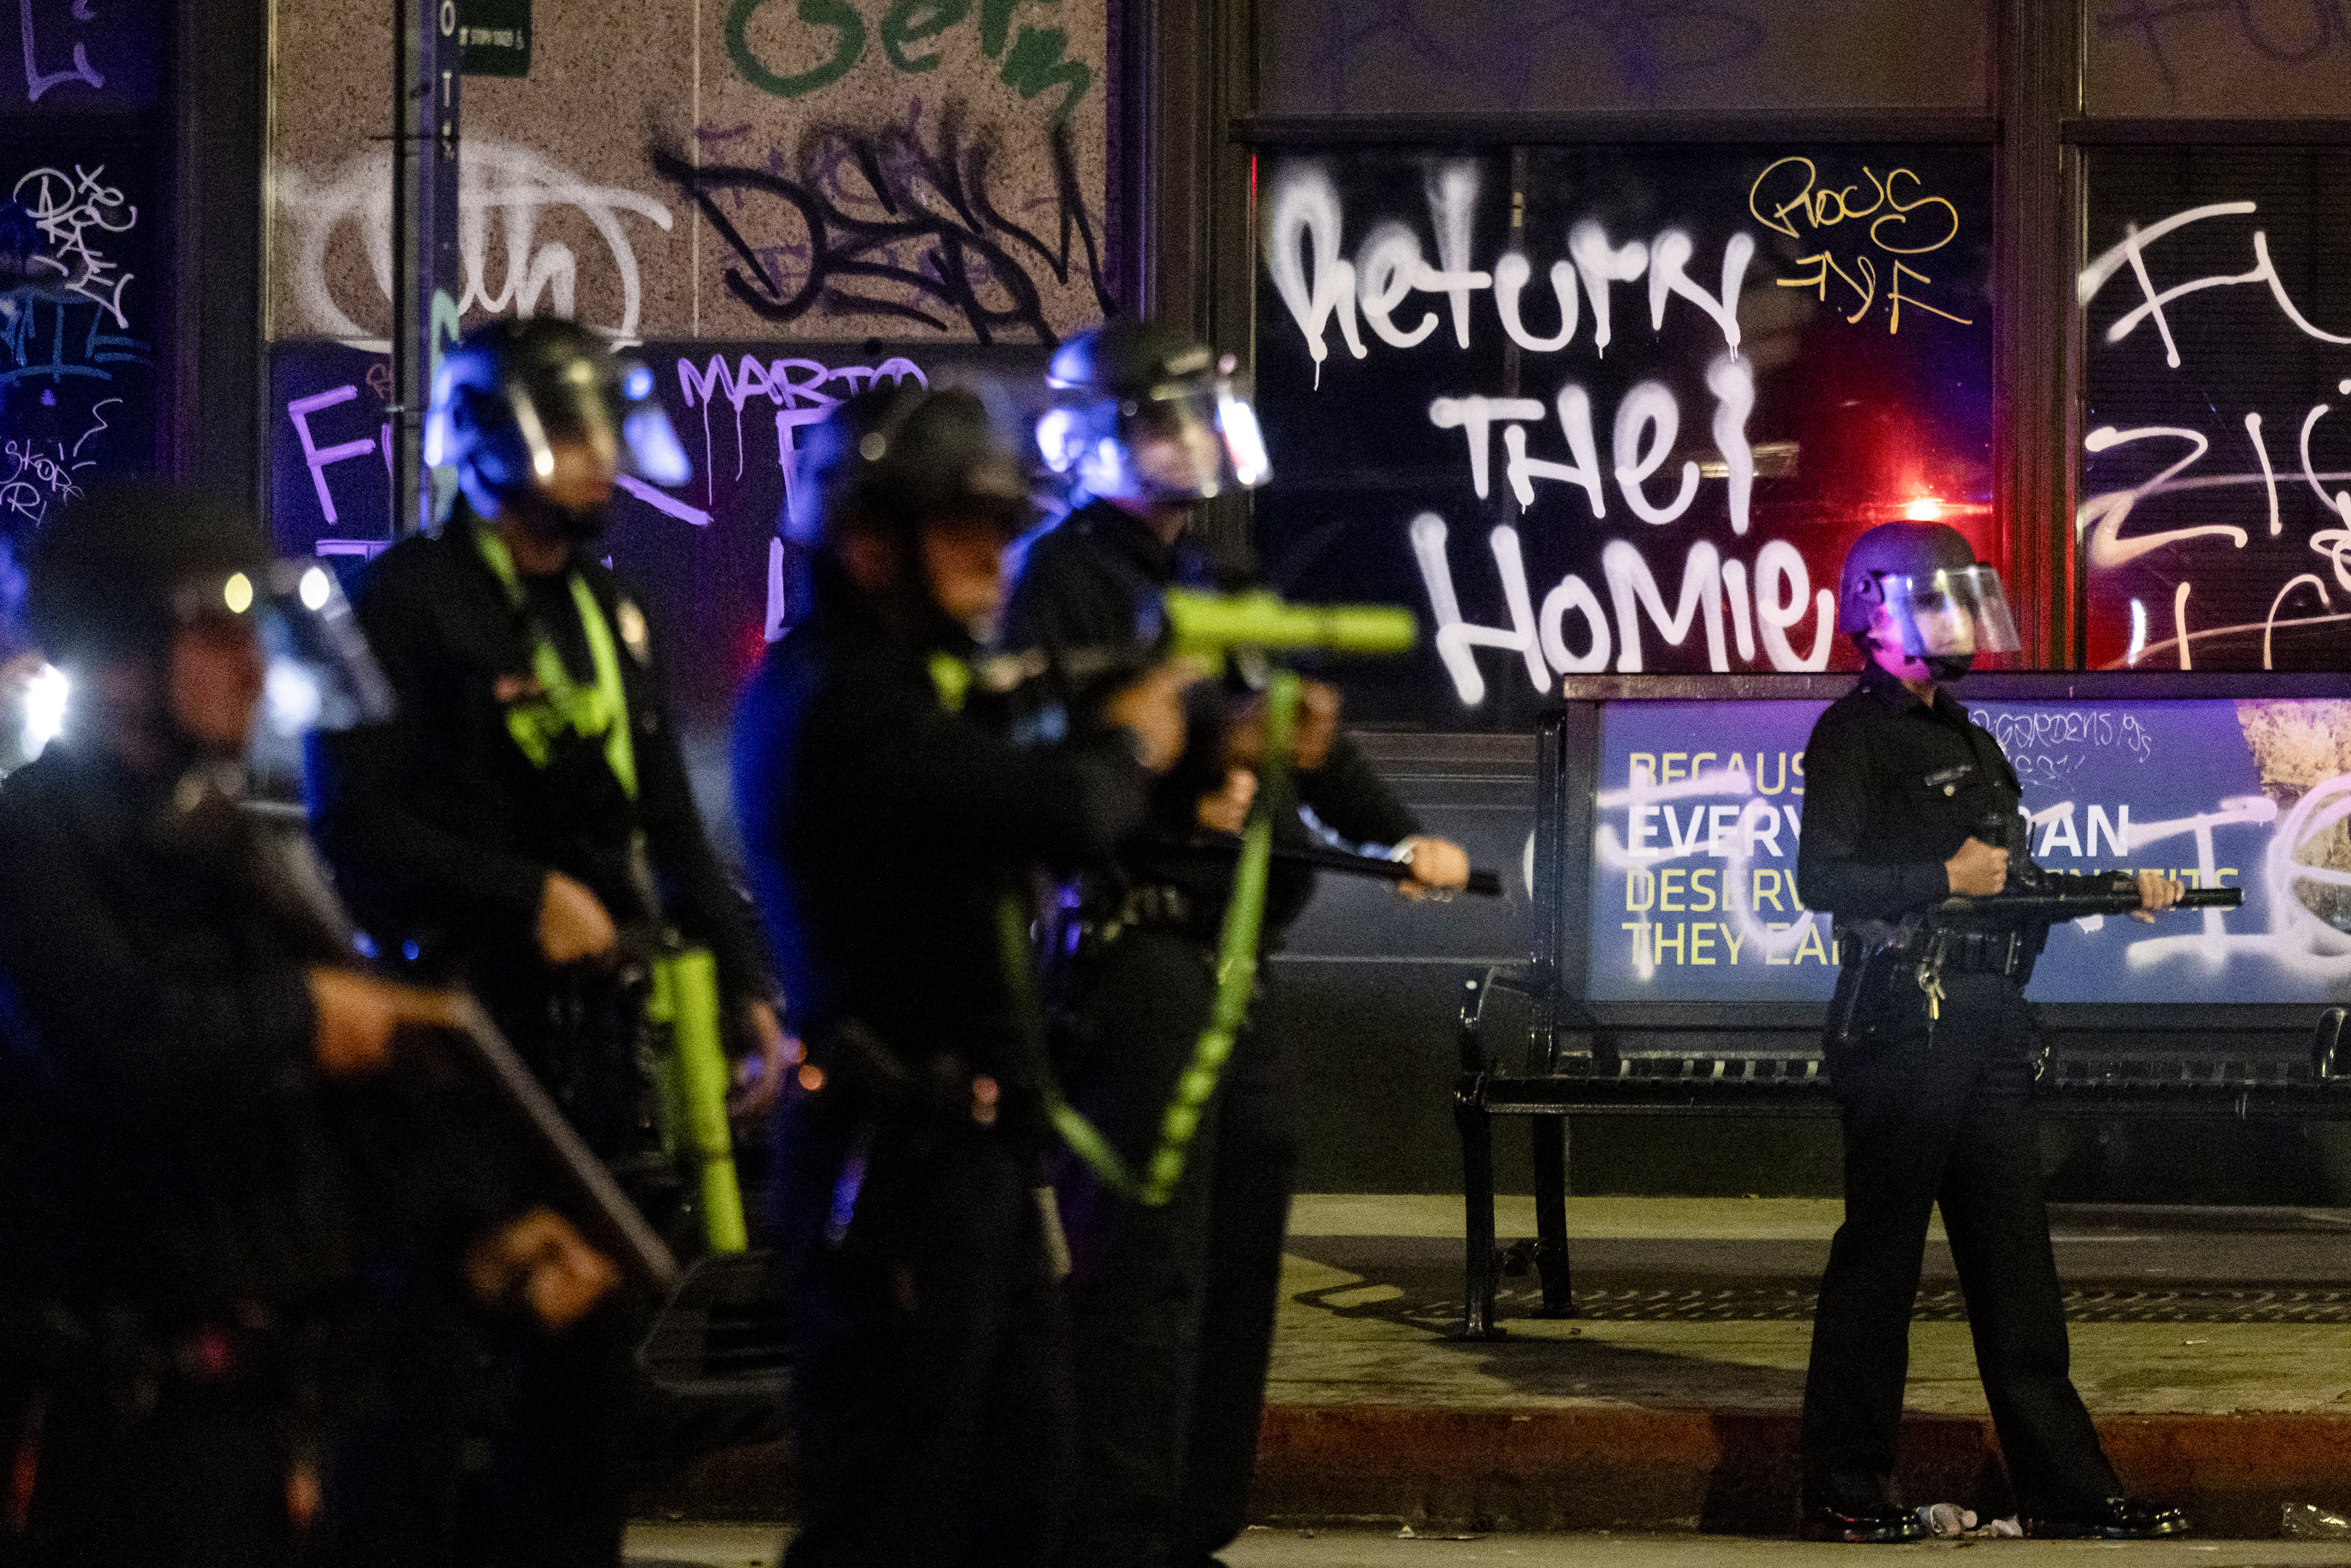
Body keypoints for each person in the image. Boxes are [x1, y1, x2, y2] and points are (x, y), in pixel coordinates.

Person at [0, 484, 614, 1568]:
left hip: (267, 1422)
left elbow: (338, 1113)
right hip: (117, 1437)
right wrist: (310, 1016)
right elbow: (120, 1043)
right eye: (217, 631)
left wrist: (483, 1237)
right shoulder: (34, 840)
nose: (251, 668)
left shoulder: (223, 847)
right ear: (123, 646)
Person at [307, 316, 785, 1568]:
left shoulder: (607, 608)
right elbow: (354, 823)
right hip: (456, 1051)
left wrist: (745, 988)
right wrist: (520, 896)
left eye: (602, 434)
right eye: (571, 433)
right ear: (492, 438)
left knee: (585, 1398)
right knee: (435, 1395)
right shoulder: (403, 601)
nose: (598, 461)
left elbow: (664, 824)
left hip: (590, 1062)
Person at [1002, 320, 1470, 1568]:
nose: (1194, 443)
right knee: (1142, 1267)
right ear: (1091, 437)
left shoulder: (1205, 575)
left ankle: (1196, 1518)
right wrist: (1196, 760)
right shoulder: (1062, 578)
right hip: (1135, 952)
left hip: (1235, 957)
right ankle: (1112, 1530)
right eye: (1166, 421)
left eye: (1203, 418)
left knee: (1238, 1241)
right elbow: (1063, 754)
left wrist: (1400, 835)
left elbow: (1301, 726)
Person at [732, 383, 1195, 1568]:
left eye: (999, 527)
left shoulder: (924, 683)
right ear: (871, 544)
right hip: (890, 1162)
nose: (993, 557)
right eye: (960, 529)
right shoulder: (837, 695)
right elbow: (1056, 806)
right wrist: (1137, 735)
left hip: (977, 1152)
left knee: (1019, 1495)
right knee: (892, 1507)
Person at [1795, 521, 2189, 1543]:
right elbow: (1821, 879)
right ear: (1876, 611)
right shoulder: (1853, 736)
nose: (1962, 620)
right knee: (1879, 1265)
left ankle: (2069, 1490)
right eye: (1938, 599)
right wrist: (1940, 878)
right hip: (1900, 1020)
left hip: (1984, 1020)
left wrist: (2115, 891)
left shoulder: (1970, 738)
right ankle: (1845, 1488)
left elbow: (2006, 887)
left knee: (2017, 1267)